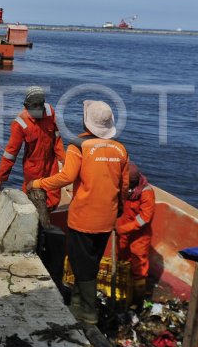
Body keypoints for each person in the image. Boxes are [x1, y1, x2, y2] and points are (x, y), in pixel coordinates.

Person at [30, 100, 129, 324]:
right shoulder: (120, 149)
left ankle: (88, 311)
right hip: (107, 218)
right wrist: (117, 208)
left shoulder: (79, 145)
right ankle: (77, 303)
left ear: (87, 120)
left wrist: (38, 184)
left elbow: (66, 177)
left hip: (83, 217)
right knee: (91, 261)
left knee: (79, 262)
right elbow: (123, 187)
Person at [0, 86, 64, 208]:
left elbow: (57, 137)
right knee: (33, 197)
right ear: (27, 105)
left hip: (52, 164)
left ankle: (48, 219)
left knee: (53, 198)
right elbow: (11, 153)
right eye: (34, 107)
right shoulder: (20, 123)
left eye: (40, 106)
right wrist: (0, 177)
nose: (38, 110)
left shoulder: (50, 111)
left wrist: (63, 159)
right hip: (33, 167)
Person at [116, 162, 156, 304]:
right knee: (121, 260)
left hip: (139, 236)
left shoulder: (146, 192)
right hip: (122, 233)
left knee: (138, 266)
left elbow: (144, 218)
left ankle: (137, 300)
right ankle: (122, 290)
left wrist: (123, 229)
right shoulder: (121, 187)